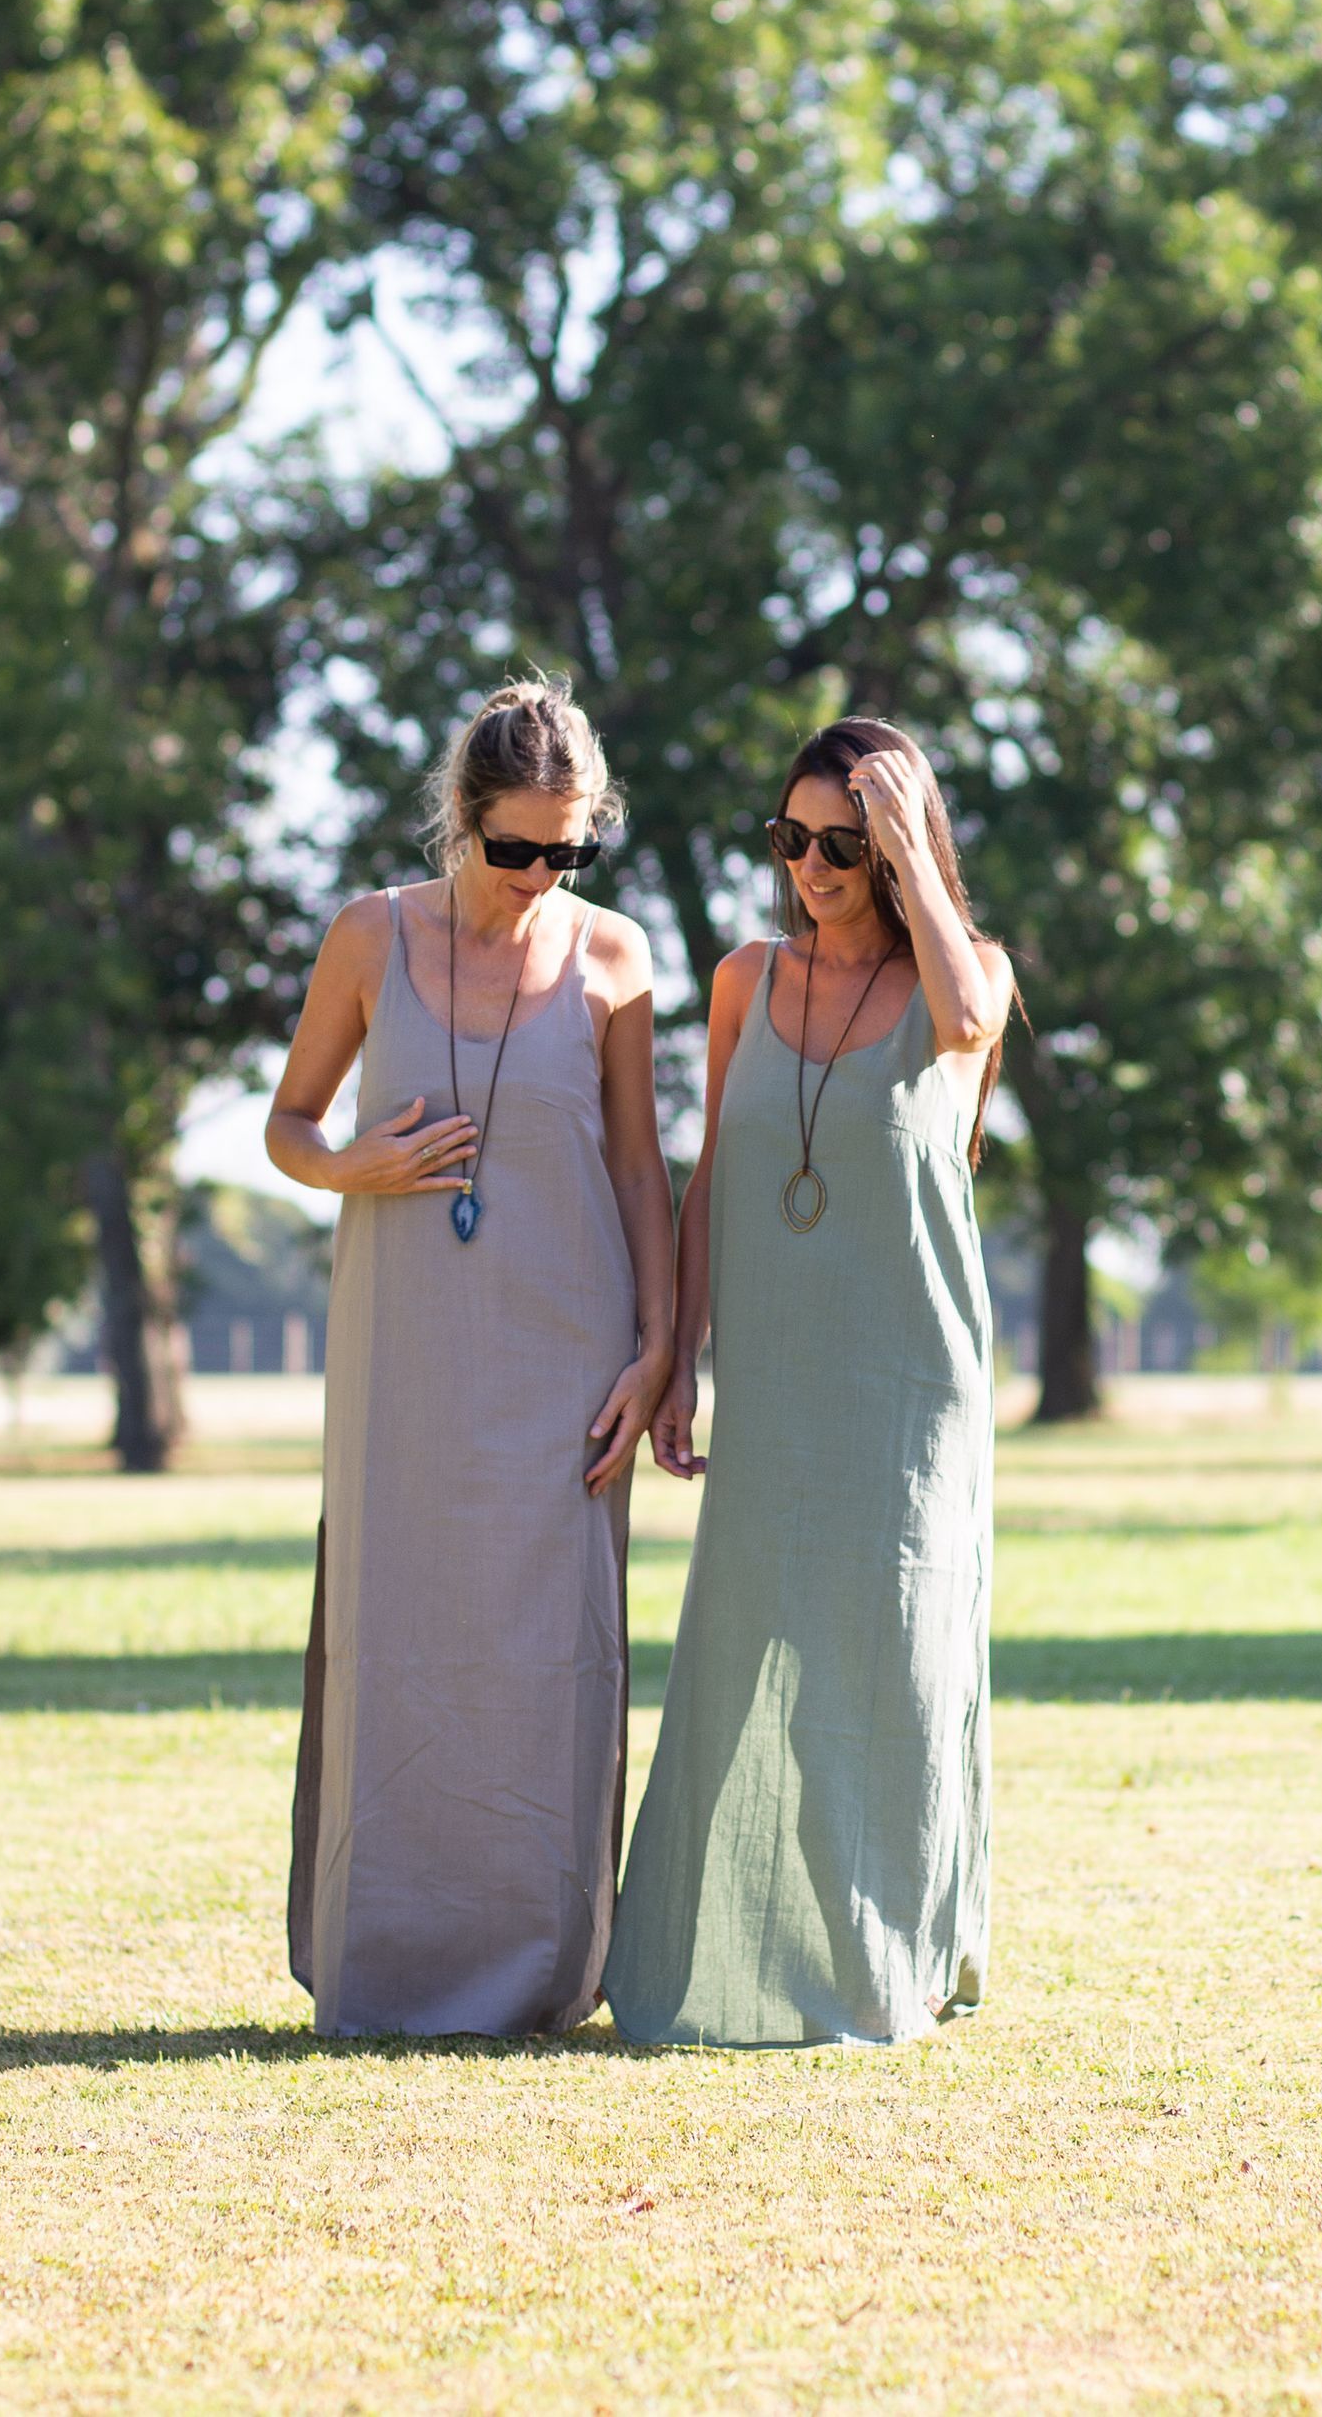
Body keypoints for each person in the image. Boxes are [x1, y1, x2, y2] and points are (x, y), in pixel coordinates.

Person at [267, 674, 674, 2039]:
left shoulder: (616, 958)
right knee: (403, 1643)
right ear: (460, 820)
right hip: (408, 1362)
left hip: (571, 1353)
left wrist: (664, 1347)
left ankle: (545, 1974)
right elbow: (287, 1124)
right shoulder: (369, 938)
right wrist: (353, 1164)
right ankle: (385, 1964)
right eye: (517, 849)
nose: (540, 875)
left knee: (552, 1655)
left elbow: (637, 1166)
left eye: (569, 849)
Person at [604, 716, 1012, 2049]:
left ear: (895, 848)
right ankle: (694, 1960)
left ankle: (890, 1965)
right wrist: (679, 1346)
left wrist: (910, 844)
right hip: (774, 1379)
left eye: (844, 842)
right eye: (793, 838)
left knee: (892, 1660)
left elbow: (960, 1022)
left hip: (913, 1381)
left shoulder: (972, 970)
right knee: (737, 1647)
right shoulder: (744, 979)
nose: (814, 865)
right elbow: (713, 1169)